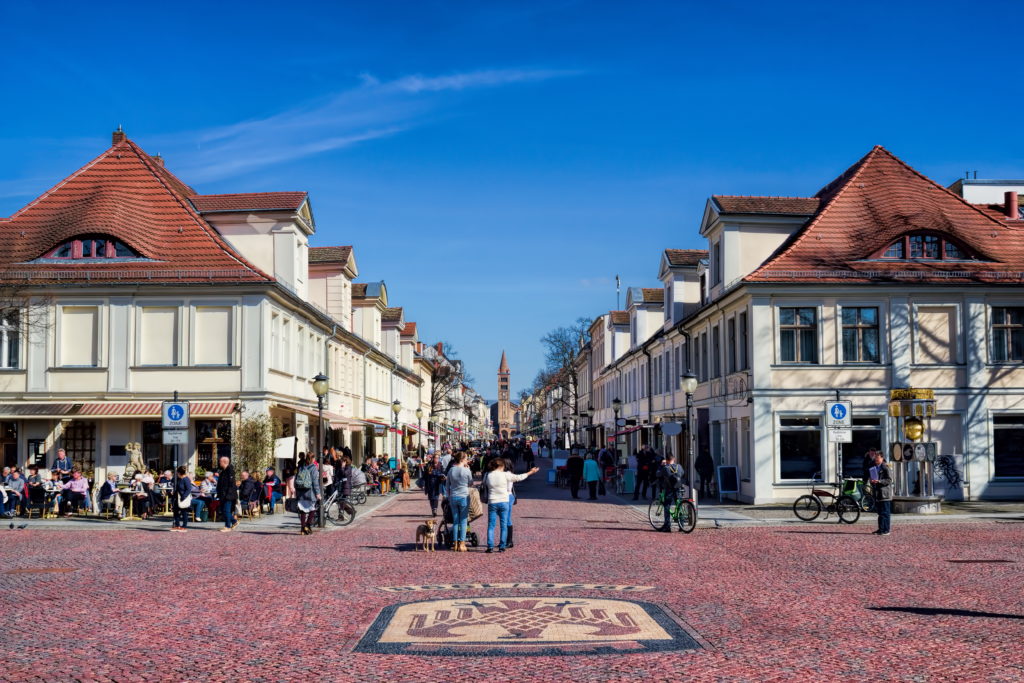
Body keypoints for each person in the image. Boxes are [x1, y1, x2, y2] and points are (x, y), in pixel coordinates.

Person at [483, 459, 539, 553]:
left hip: (492, 501)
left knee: (491, 526)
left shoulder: (488, 475)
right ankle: (502, 546)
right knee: (503, 525)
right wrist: (531, 472)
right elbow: (519, 477)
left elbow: (484, 485)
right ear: (501, 466)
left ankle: (490, 547)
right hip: (504, 501)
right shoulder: (506, 475)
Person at [446, 452, 473, 552]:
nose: (467, 460)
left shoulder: (451, 470)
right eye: (466, 458)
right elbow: (471, 483)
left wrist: (448, 496)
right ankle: (462, 543)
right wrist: (468, 470)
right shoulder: (466, 470)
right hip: (464, 496)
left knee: (456, 520)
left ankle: (455, 543)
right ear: (462, 460)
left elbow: (447, 485)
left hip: (453, 496)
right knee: (463, 521)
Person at [655, 453, 687, 532]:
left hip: (669, 489)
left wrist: (661, 465)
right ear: (674, 459)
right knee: (679, 505)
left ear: (667, 460)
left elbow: (657, 474)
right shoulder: (679, 466)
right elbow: (683, 473)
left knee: (667, 505)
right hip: (678, 488)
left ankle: (667, 526)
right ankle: (681, 526)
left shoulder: (665, 468)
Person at [294, 452, 321, 535]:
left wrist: (296, 490)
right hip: (310, 492)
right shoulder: (313, 468)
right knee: (312, 509)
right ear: (313, 458)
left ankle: (303, 528)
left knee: (303, 510)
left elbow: (296, 479)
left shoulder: (301, 467)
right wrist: (318, 493)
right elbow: (315, 482)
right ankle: (308, 525)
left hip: (301, 491)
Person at [870, 451, 893, 536]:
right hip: (878, 493)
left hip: (885, 493)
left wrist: (879, 481)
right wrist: (872, 481)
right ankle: (881, 529)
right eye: (875, 457)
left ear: (882, 458)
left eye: (878, 457)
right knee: (880, 513)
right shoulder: (875, 467)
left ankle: (886, 530)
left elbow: (889, 480)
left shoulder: (885, 467)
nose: (876, 459)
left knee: (885, 513)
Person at [216, 456, 238, 532]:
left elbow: (231, 484)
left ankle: (227, 526)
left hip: (228, 495)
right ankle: (234, 521)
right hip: (223, 494)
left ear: (224, 462)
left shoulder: (230, 471)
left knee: (226, 511)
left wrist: (228, 495)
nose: (219, 463)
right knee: (223, 510)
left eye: (220, 461)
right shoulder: (223, 471)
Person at [171, 466, 192, 532]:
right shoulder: (179, 479)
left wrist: (184, 496)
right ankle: (177, 525)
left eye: (177, 473)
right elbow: (174, 484)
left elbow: (188, 489)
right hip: (177, 497)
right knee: (175, 511)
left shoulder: (186, 479)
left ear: (179, 473)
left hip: (183, 498)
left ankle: (184, 526)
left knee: (184, 512)